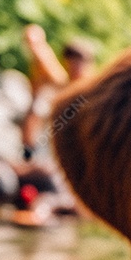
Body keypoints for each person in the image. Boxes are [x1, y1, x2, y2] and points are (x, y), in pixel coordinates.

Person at [20, 24, 95, 161]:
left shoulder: (93, 90)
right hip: (51, 146)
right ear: (67, 62)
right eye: (73, 63)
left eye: (80, 63)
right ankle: (29, 152)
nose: (76, 68)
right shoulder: (57, 81)